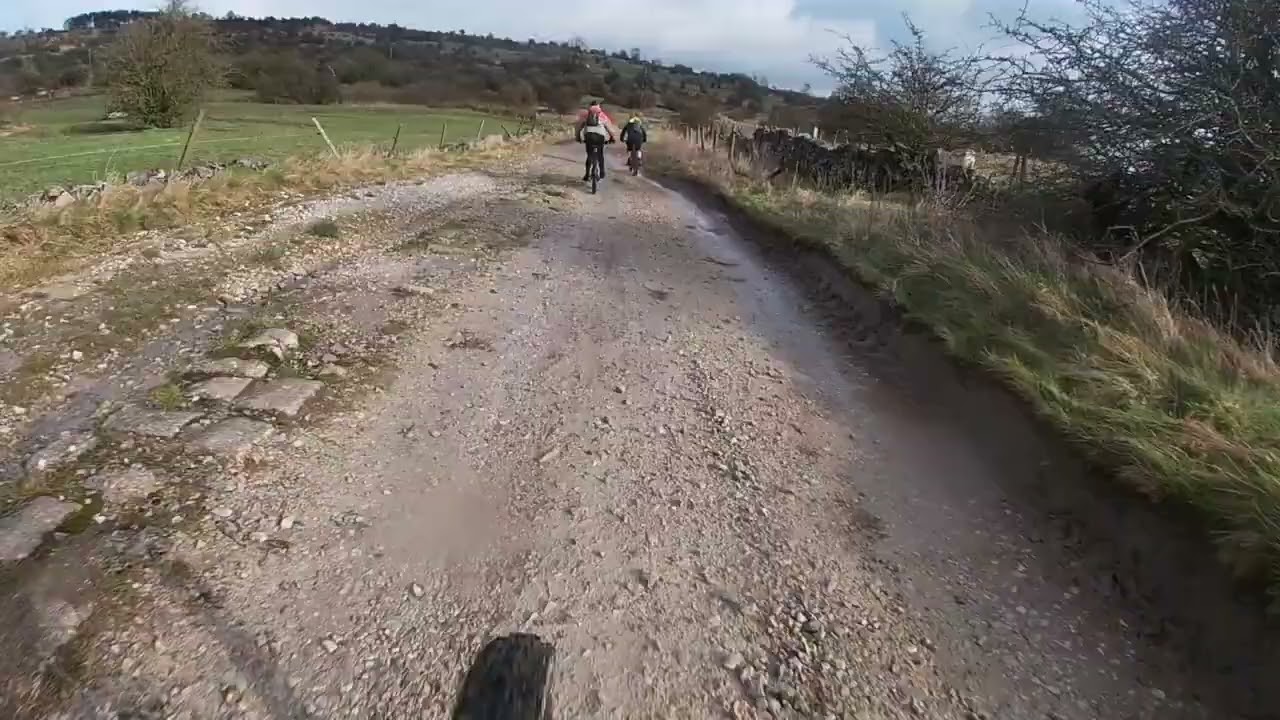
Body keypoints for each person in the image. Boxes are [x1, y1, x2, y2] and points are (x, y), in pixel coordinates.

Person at [575, 101, 616, 182]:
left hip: (589, 136)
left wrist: (578, 137)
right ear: (599, 107)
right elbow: (609, 128)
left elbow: (578, 127)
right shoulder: (602, 115)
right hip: (600, 137)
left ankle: (587, 175)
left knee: (589, 155)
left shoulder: (586, 115)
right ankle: (602, 173)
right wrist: (612, 137)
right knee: (600, 155)